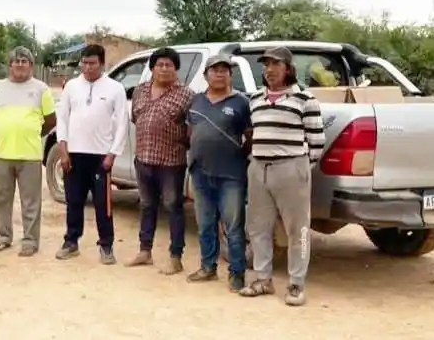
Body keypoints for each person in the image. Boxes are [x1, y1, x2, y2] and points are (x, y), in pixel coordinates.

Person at [240, 46, 324, 307]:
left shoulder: (305, 100)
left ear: (288, 68)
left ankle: (296, 283)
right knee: (257, 226)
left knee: (297, 228)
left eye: (275, 64)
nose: (269, 69)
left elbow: (317, 141)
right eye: (266, 65)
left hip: (291, 168)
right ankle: (263, 279)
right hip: (258, 168)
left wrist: (298, 169)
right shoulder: (255, 99)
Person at [55, 44, 128, 264]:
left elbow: (122, 123)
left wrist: (112, 155)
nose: (87, 68)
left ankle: (106, 245)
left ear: (102, 64)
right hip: (74, 155)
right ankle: (71, 242)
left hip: (100, 157)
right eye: (84, 63)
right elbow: (63, 119)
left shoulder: (115, 88)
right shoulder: (71, 87)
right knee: (74, 201)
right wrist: (63, 151)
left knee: (102, 204)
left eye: (92, 63)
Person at [185, 54, 252, 291]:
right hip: (200, 173)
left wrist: (237, 157)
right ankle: (208, 267)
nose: (220, 74)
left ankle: (237, 274)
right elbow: (190, 131)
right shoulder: (196, 101)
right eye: (215, 70)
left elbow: (249, 138)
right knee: (205, 225)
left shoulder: (241, 102)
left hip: (231, 175)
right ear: (206, 75)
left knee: (233, 227)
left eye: (225, 70)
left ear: (230, 75)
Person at [126, 47, 195, 274]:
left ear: (176, 69)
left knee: (173, 207)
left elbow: (190, 129)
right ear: (152, 68)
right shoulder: (140, 90)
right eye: (160, 65)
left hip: (171, 163)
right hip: (143, 159)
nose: (164, 69)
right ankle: (145, 251)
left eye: (169, 65)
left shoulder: (186, 94)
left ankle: (176, 257)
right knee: (146, 206)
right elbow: (136, 118)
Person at [0, 46, 56, 257]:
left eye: (24, 61)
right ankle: (3, 236)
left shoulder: (41, 88)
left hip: (30, 156)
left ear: (31, 65)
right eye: (16, 61)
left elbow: (50, 120)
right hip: (3, 154)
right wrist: (5, 133)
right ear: (10, 65)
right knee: (2, 199)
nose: (20, 64)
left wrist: (32, 133)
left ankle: (30, 241)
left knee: (31, 201)